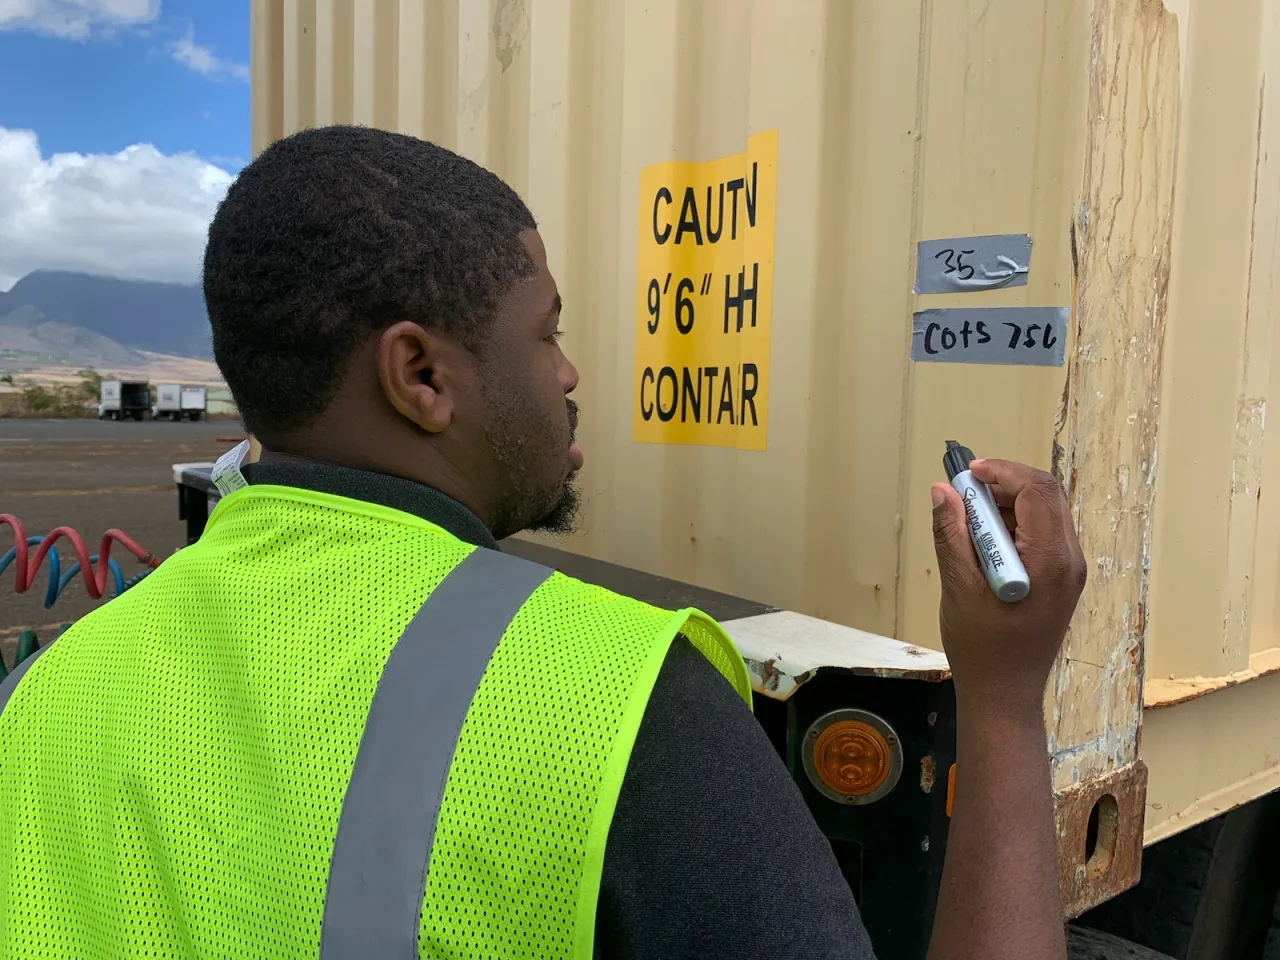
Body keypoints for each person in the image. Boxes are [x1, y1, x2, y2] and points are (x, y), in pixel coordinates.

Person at [0, 125, 1086, 960]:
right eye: (546, 331)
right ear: (420, 375)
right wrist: (999, 700)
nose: (566, 375)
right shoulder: (620, 703)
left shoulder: (45, 694)